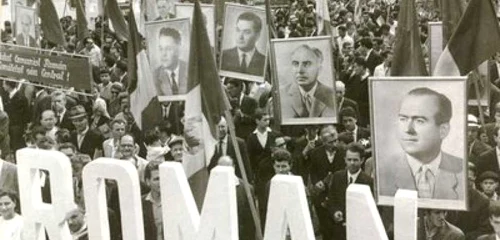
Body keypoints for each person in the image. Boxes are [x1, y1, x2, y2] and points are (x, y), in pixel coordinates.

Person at [379, 87, 465, 200]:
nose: (408, 129)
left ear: (443, 130)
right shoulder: (383, 172)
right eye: (403, 119)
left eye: (419, 121)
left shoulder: (461, 171)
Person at [326, 143, 373, 240]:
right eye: (349, 159)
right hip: (339, 231)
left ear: (362, 160)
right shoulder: (337, 177)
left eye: (355, 160)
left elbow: (371, 209)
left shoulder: (369, 182)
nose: (352, 163)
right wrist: (335, 212)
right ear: (345, 159)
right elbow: (331, 199)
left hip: (359, 231)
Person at [279, 44, 336, 118]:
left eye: (307, 64)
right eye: (296, 64)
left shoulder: (331, 94)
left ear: (319, 69)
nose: (300, 70)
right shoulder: (281, 95)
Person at [221, 11, 265, 76]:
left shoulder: (264, 62)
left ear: (257, 35)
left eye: (246, 32)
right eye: (238, 30)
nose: (240, 36)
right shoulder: (223, 56)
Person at [153, 27, 187, 96]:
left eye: (168, 49)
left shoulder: (190, 71)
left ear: (178, 49)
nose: (163, 54)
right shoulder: (154, 76)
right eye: (161, 49)